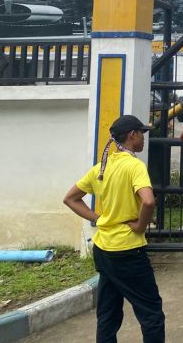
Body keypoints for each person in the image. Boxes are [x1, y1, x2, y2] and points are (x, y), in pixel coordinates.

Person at [63, 115, 165, 343]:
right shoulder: (134, 166)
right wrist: (140, 225)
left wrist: (99, 219)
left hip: (103, 248)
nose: (144, 138)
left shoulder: (101, 167)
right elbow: (148, 201)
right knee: (151, 313)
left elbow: (70, 198)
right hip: (128, 251)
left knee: (108, 312)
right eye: (142, 133)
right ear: (132, 135)